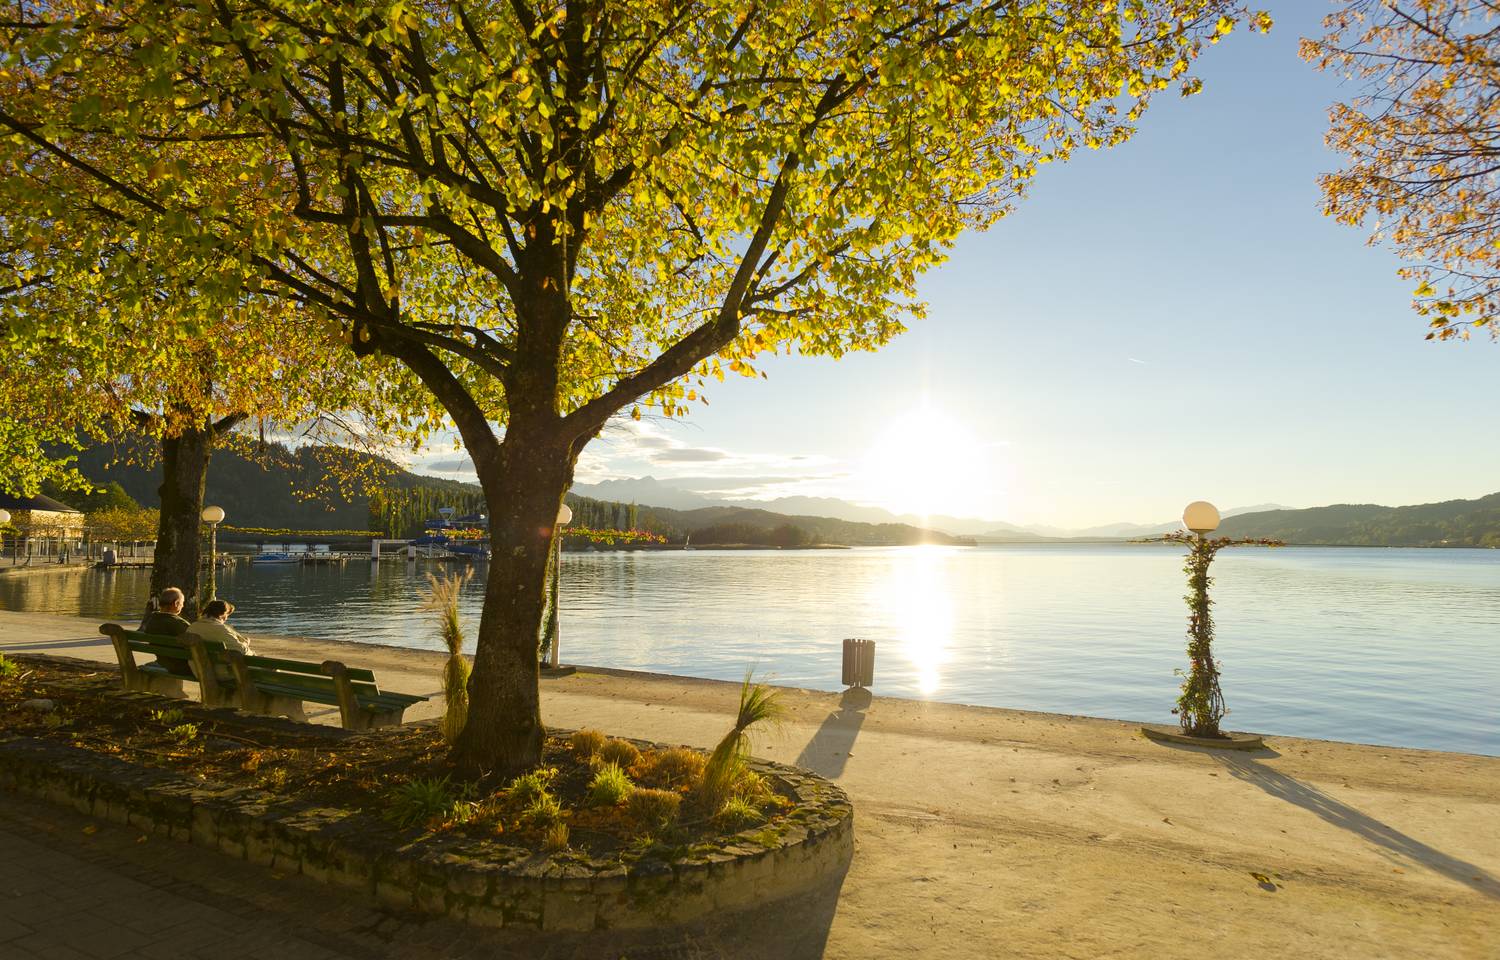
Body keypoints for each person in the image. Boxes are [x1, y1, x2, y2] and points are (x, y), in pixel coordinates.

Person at [139, 587, 191, 674]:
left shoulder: (152, 620)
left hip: (163, 662)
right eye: (182, 603)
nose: (183, 606)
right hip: (182, 667)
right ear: (176, 603)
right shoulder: (179, 623)